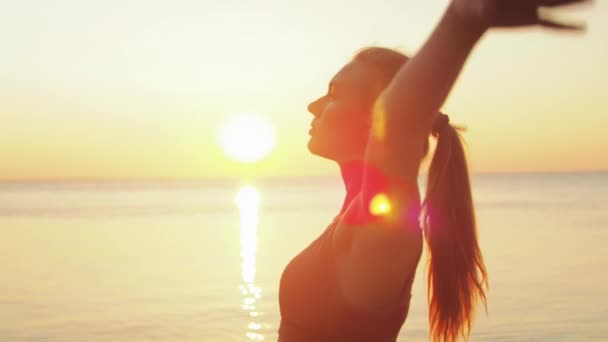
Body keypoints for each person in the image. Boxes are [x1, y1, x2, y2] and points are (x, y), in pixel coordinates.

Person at [278, 0, 591, 341]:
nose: (313, 106)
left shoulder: (383, 222)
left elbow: (398, 119)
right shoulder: (354, 215)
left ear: (375, 118)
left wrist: (462, 20)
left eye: (334, 94)